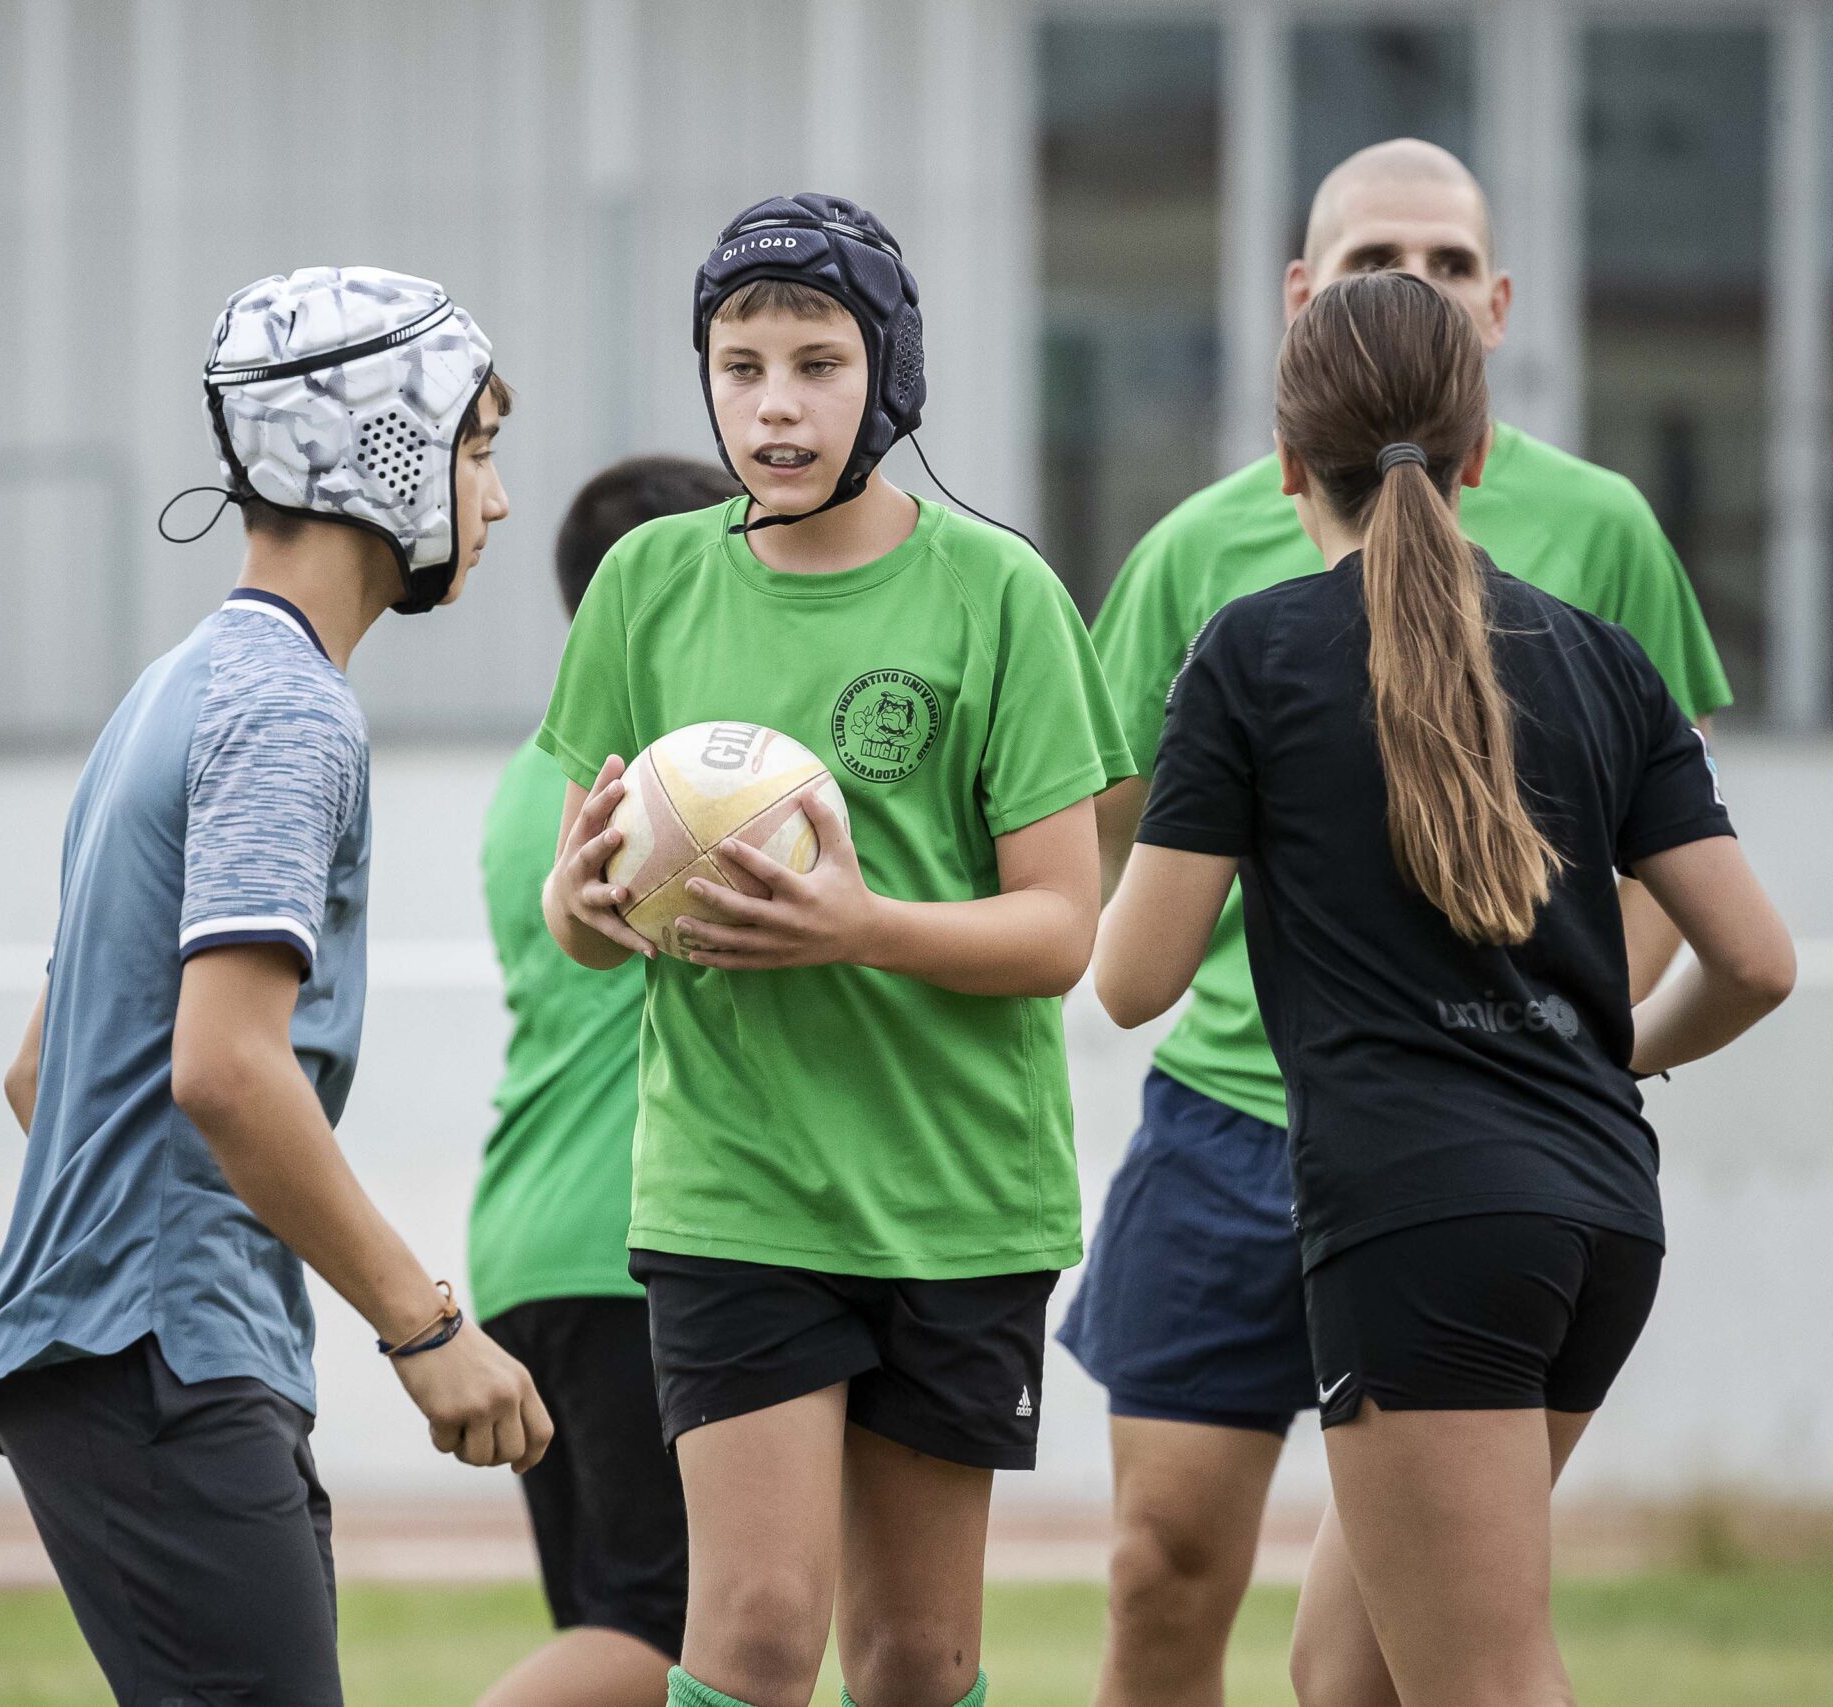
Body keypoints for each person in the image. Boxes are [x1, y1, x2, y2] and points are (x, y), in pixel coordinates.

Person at [1057, 138, 1736, 1707]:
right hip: (1244, 1122)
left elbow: (1670, 860)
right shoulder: (1194, 561)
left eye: (1444, 262)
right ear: (1304, 302)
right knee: (1215, 1594)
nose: (1413, 287)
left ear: (1497, 305)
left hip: (1459, 1149)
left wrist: (1582, 1035)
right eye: (1377, 261)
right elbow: (1101, 839)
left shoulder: (1603, 545)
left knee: (1443, 1655)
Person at [541, 194, 1133, 1707]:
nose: (777, 402)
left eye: (816, 361)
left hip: (958, 1192)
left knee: (917, 1656)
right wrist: (584, 903)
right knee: (749, 1629)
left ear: (892, 378)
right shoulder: (646, 584)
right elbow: (585, 923)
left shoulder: (999, 592)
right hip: (736, 1185)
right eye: (741, 366)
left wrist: (858, 926)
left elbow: (1061, 928)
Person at [0, 267, 551, 1706]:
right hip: (159, 1352)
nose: (499, 496)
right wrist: (426, 1322)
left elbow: (44, 1070)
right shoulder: (289, 708)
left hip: (134, 1347)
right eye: (474, 447)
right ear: (386, 450)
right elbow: (223, 1065)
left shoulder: (174, 684)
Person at [472, 455, 741, 1707]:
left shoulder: (539, 776)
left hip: (527, 1237)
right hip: (635, 1236)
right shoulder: (690, 779)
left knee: (611, 1626)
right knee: (668, 1633)